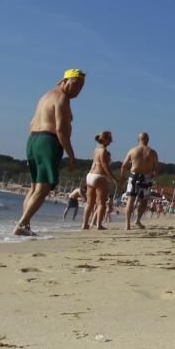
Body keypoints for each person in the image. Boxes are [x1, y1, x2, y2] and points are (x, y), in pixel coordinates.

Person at [14, 69, 84, 236]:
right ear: (64, 81)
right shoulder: (62, 98)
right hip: (48, 141)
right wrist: (71, 155)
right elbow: (60, 129)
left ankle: (25, 225)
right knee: (43, 188)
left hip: (33, 140)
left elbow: (31, 122)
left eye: (81, 87)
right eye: (75, 85)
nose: (77, 90)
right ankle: (22, 224)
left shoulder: (46, 96)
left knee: (34, 187)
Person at [119, 132, 159, 230]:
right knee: (144, 201)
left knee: (130, 200)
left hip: (134, 175)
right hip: (146, 177)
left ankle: (127, 224)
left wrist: (122, 177)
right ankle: (137, 219)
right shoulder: (152, 152)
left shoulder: (133, 150)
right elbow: (157, 169)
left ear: (138, 139)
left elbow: (123, 166)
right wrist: (152, 176)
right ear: (148, 140)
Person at [82, 131, 114, 230]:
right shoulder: (104, 150)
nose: (111, 141)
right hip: (99, 176)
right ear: (106, 140)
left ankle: (84, 224)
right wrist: (113, 178)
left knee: (89, 203)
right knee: (101, 203)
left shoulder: (96, 150)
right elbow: (104, 165)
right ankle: (99, 225)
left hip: (90, 175)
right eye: (110, 139)